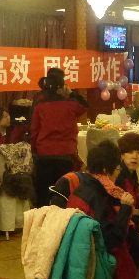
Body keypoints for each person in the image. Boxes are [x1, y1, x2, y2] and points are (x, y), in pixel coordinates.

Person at [65, 140, 136, 279]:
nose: (118, 173)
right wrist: (125, 209)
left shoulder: (83, 187)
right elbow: (112, 240)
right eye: (117, 168)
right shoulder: (99, 196)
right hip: (98, 260)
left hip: (77, 253)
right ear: (105, 170)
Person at [30, 67, 88, 206]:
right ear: (60, 88)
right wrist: (72, 93)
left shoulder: (40, 106)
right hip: (66, 155)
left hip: (44, 155)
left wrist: (35, 151)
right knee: (64, 194)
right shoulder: (71, 105)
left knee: (43, 194)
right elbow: (85, 105)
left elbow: (34, 131)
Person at [115, 132, 139, 210]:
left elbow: (134, 201)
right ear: (122, 155)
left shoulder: (132, 172)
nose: (135, 156)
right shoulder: (117, 175)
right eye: (130, 152)